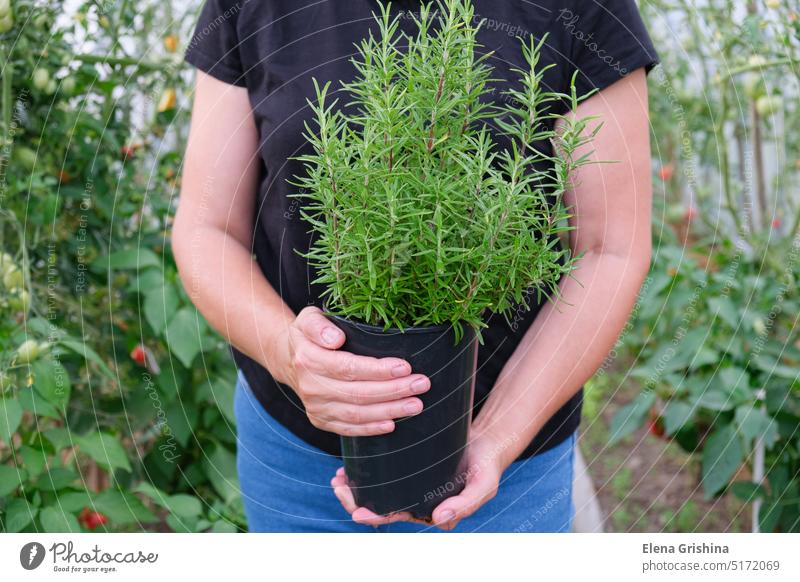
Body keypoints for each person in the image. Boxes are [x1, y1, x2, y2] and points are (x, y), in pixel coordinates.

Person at [174, 0, 659, 532]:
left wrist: (496, 436)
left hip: (510, 471)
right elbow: (206, 229)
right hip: (296, 457)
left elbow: (609, 248)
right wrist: (289, 354)